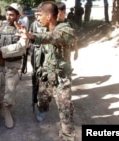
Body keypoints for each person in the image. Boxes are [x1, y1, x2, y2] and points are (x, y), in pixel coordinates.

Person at [18, 1, 77, 141]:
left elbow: (53, 37)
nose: (37, 19)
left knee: (65, 109)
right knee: (42, 100)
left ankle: (68, 136)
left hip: (61, 79)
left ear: (49, 16)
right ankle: (42, 109)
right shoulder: (44, 30)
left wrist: (33, 36)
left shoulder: (65, 29)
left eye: (40, 16)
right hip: (47, 75)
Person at [0, 3, 27, 129]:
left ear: (18, 16)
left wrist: (2, 50)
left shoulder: (21, 28)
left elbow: (21, 47)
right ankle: (1, 106)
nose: (9, 17)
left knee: (10, 90)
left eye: (12, 15)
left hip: (12, 63)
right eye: (8, 14)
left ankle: (7, 110)